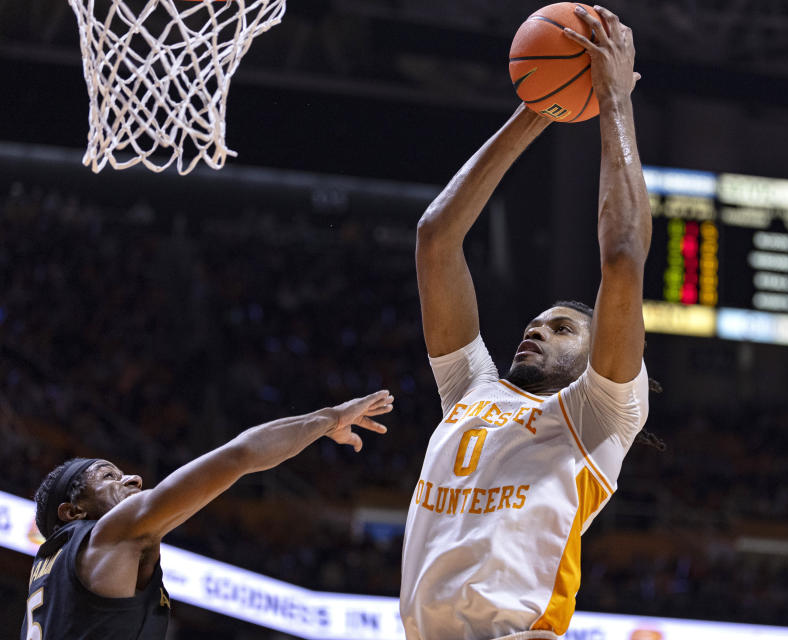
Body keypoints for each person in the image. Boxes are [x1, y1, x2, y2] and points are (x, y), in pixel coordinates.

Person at [399, 6, 661, 639]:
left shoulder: (599, 417)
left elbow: (623, 258)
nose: (537, 329)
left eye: (564, 328)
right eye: (540, 321)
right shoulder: (471, 391)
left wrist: (612, 99)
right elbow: (436, 238)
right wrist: (538, 108)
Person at [20, 390, 393, 640]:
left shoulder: (49, 577)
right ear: (72, 511)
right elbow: (239, 456)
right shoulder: (110, 533)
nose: (133, 477)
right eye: (108, 477)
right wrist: (329, 419)